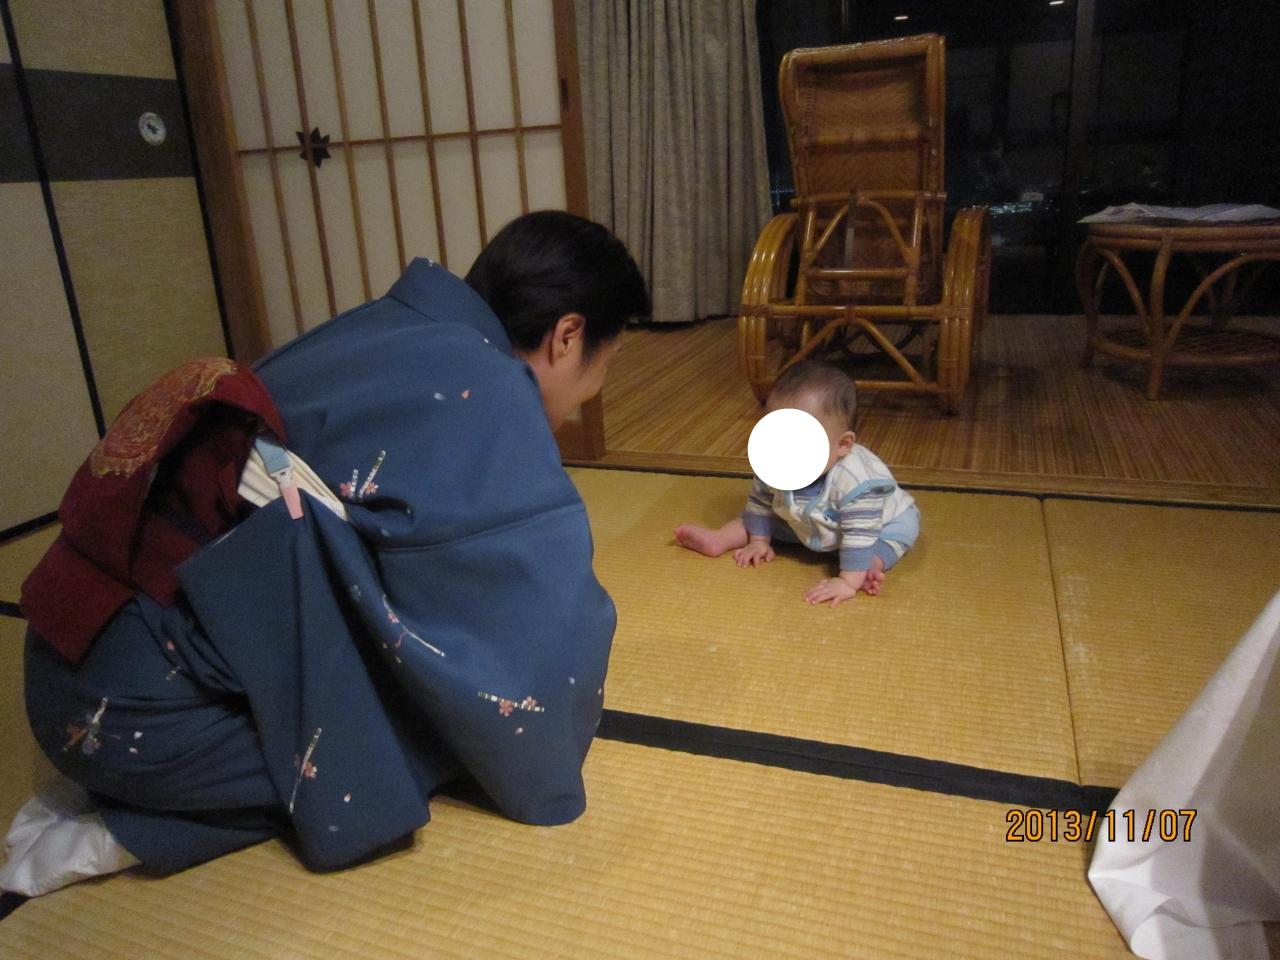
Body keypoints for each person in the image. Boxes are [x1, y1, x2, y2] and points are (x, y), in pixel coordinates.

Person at [2, 211, 650, 895]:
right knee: (424, 743)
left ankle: (125, 789)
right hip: (139, 722)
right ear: (567, 335)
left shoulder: (383, 328)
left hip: (65, 654)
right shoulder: (486, 390)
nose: (587, 399)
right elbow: (542, 624)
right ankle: (126, 831)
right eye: (605, 365)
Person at [674, 360, 919, 607]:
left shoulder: (857, 483)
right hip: (810, 520)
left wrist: (848, 581)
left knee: (880, 545)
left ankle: (869, 569)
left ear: (842, 444)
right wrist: (759, 541)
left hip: (878, 524)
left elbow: (860, 533)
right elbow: (760, 501)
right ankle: (720, 539)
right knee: (755, 519)